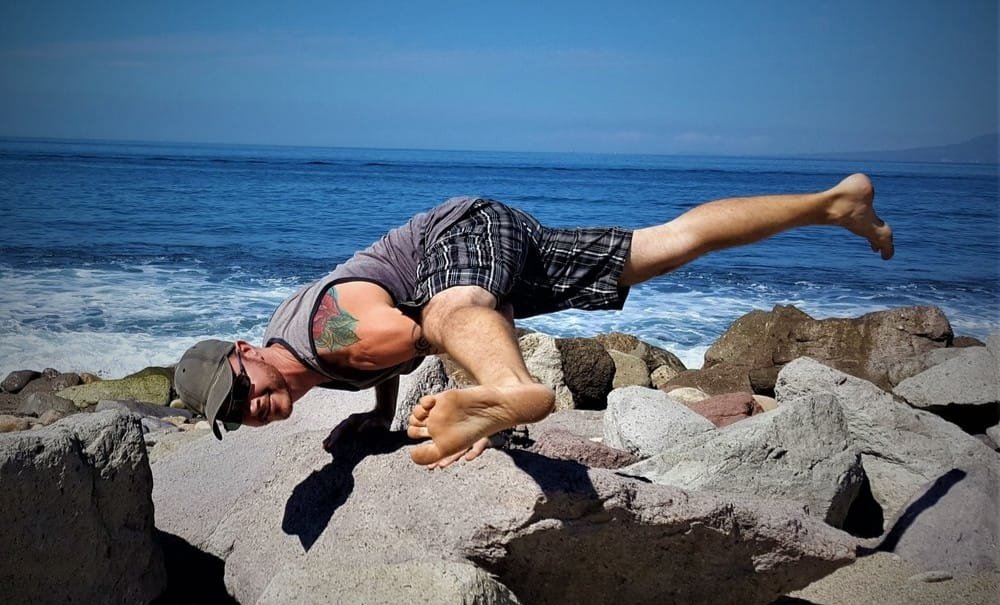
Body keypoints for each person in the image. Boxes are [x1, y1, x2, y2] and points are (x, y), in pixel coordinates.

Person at [175, 173, 894, 469]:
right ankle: (836, 203)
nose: (250, 407)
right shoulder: (303, 352)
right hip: (484, 249)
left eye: (241, 389)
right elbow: (375, 355)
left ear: (245, 350)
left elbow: (421, 329)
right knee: (662, 246)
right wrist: (380, 416)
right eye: (232, 414)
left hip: (461, 236)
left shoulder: (329, 333)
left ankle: (516, 390)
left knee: (451, 310)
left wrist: (485, 393)